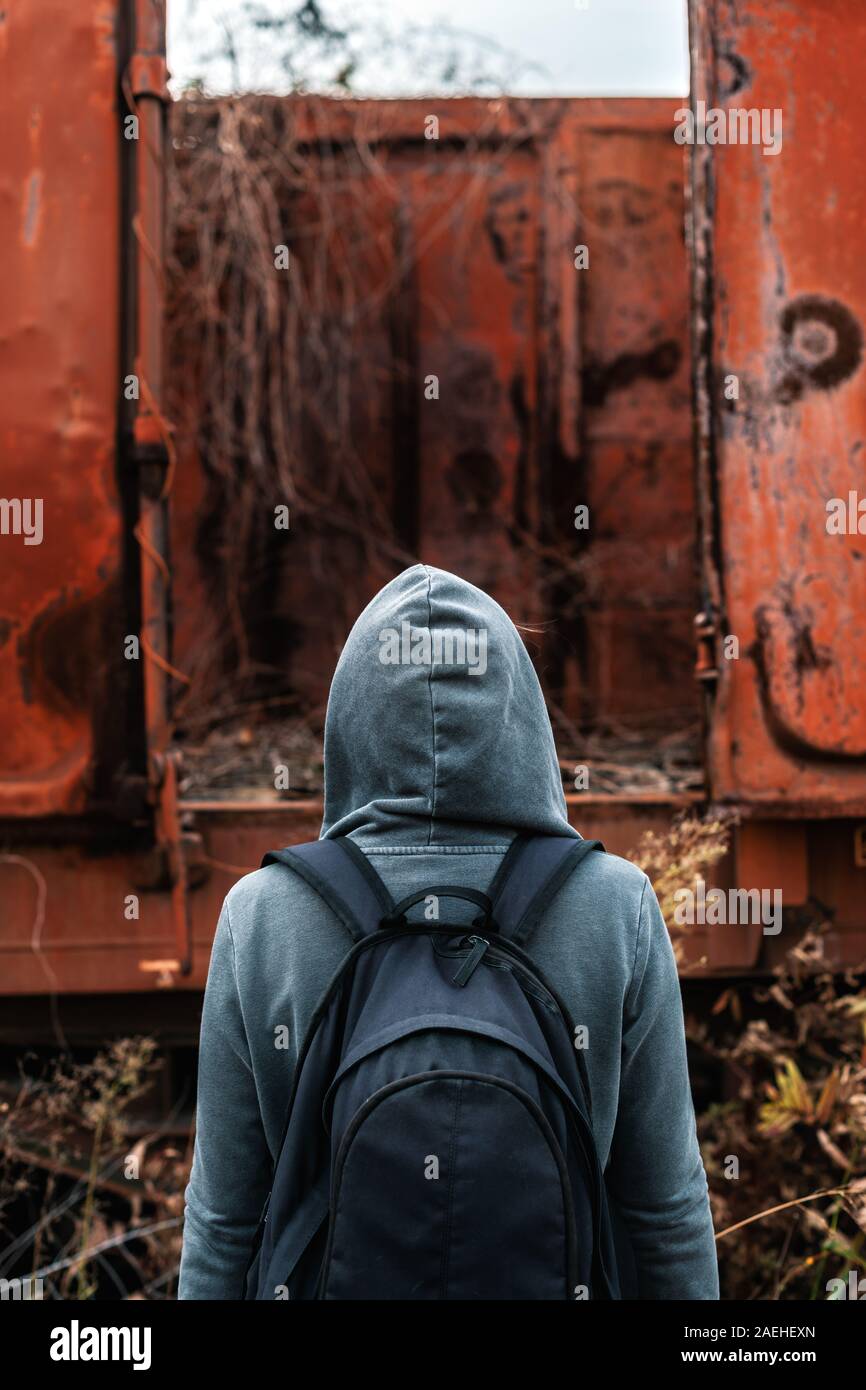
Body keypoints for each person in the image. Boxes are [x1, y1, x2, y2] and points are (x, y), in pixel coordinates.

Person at [178, 564, 719, 1299]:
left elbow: (224, 1224)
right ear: (521, 712)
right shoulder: (613, 904)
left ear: (352, 716)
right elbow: (666, 1214)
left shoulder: (263, 914)